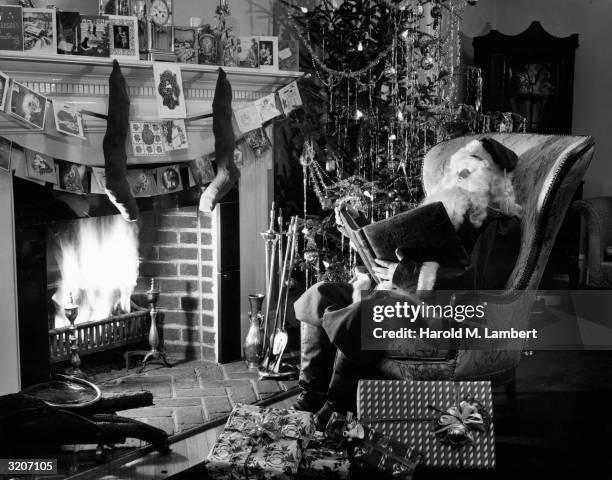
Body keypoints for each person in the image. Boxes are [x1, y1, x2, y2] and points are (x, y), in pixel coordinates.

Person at [292, 137, 523, 428]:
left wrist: (404, 275)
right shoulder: (446, 215)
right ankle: (311, 395)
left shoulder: (502, 226)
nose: (460, 180)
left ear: (494, 180)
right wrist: (368, 243)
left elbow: (475, 282)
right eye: (458, 173)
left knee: (368, 311)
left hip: (444, 311)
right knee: (321, 292)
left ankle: (339, 407)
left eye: (470, 173)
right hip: (400, 292)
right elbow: (403, 252)